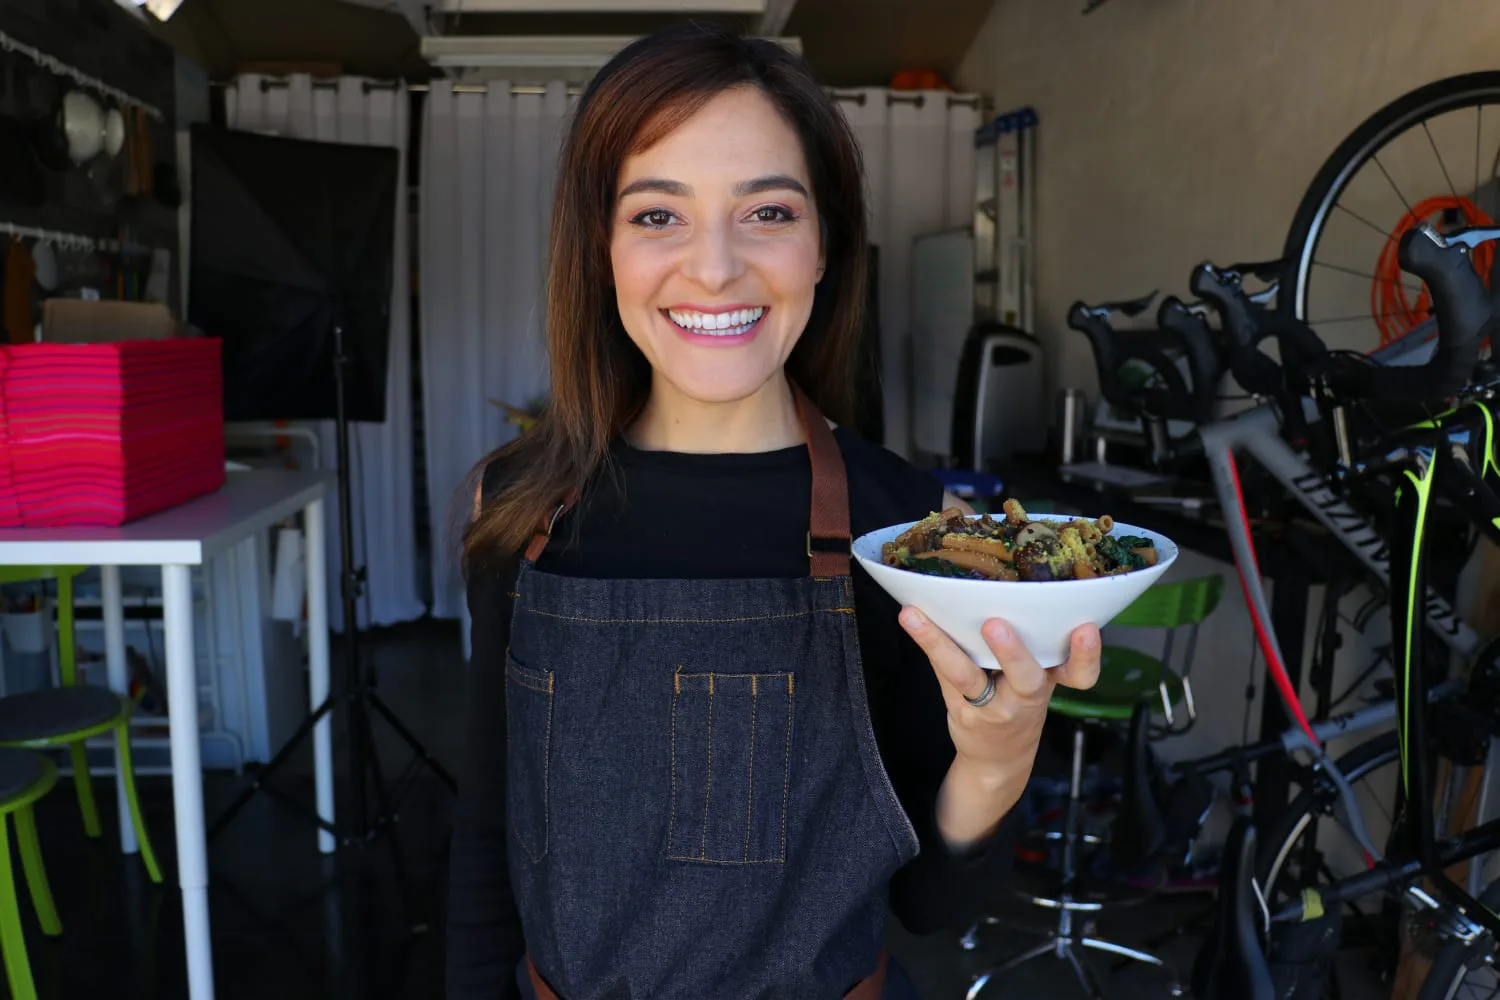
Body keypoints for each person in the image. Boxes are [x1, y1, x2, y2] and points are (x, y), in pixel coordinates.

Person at [448, 21, 1102, 1000]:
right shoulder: (521, 507)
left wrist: (1001, 755)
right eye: (658, 216)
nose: (713, 269)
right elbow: (488, 837)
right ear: (601, 247)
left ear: (826, 244)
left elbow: (933, 906)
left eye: (767, 212)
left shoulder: (907, 527)